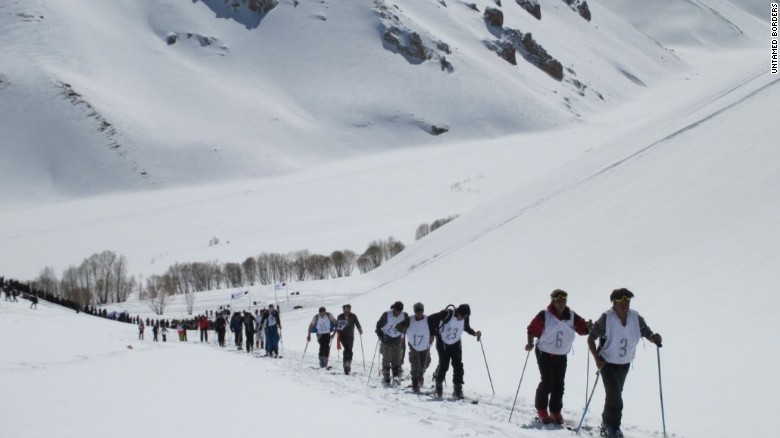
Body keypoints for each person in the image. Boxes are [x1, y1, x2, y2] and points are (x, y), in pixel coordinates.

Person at [587, 288, 663, 438]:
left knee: (614, 394)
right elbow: (591, 338)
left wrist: (653, 337)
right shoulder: (606, 318)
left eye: (627, 301)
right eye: (621, 301)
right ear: (614, 303)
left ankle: (606, 424)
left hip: (625, 364)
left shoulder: (635, 317)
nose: (625, 304)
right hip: (607, 363)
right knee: (615, 395)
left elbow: (645, 331)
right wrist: (597, 358)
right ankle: (614, 428)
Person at [525, 289, 591, 424]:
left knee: (559, 384)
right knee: (548, 380)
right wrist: (530, 343)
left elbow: (583, 329)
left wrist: (590, 327)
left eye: (563, 301)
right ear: (553, 301)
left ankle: (555, 411)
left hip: (561, 355)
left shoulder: (571, 316)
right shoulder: (545, 315)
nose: (561, 304)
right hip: (544, 352)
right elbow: (532, 329)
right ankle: (542, 409)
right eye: (558, 301)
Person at [428, 304, 481, 399]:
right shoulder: (447, 314)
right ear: (459, 312)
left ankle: (458, 389)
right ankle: (438, 384)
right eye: (463, 316)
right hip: (443, 342)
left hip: (456, 343)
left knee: (458, 366)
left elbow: (466, 327)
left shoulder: (465, 317)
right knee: (444, 365)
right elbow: (430, 319)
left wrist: (474, 333)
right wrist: (432, 334)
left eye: (466, 317)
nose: (463, 318)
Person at [396, 302, 434, 392]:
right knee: (415, 364)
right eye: (417, 311)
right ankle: (415, 383)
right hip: (414, 345)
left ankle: (421, 375)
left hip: (425, 345)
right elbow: (398, 327)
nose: (419, 313)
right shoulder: (409, 320)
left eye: (420, 311)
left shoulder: (428, 320)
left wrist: (433, 335)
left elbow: (434, 328)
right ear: (415, 312)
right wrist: (404, 329)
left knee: (426, 362)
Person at [375, 301, 408, 385]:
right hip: (386, 339)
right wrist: (379, 332)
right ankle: (386, 375)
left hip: (397, 339)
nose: (398, 313)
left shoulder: (404, 315)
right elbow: (379, 324)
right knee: (387, 358)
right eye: (397, 310)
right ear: (394, 309)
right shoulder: (387, 315)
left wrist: (405, 331)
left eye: (399, 311)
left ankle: (396, 376)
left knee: (397, 359)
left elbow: (408, 326)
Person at [335, 304, 363, 375]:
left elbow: (357, 323)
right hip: (342, 336)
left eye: (348, 310)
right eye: (345, 310)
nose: (347, 311)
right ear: (343, 310)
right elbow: (337, 325)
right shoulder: (340, 316)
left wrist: (359, 329)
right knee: (347, 348)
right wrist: (335, 333)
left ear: (350, 310)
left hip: (350, 336)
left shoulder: (353, 316)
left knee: (350, 350)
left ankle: (348, 362)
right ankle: (346, 364)